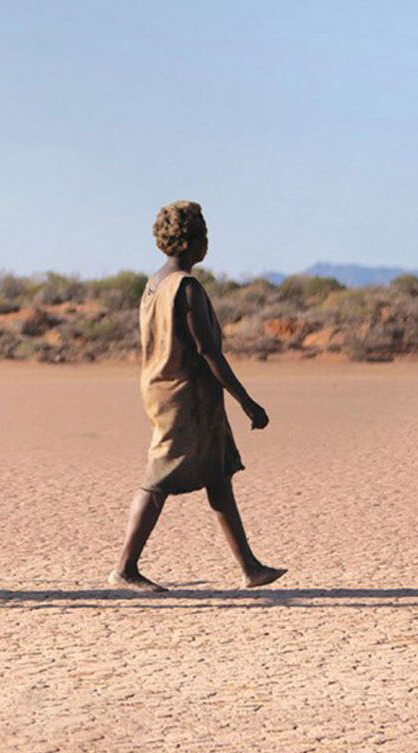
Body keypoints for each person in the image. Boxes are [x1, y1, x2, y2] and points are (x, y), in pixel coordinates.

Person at [110, 200, 286, 592]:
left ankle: (250, 567)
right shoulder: (185, 287)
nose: (208, 243)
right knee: (160, 476)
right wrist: (247, 401)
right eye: (205, 235)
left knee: (218, 473)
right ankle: (125, 567)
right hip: (182, 396)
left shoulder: (154, 283)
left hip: (174, 391)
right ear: (191, 242)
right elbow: (209, 352)